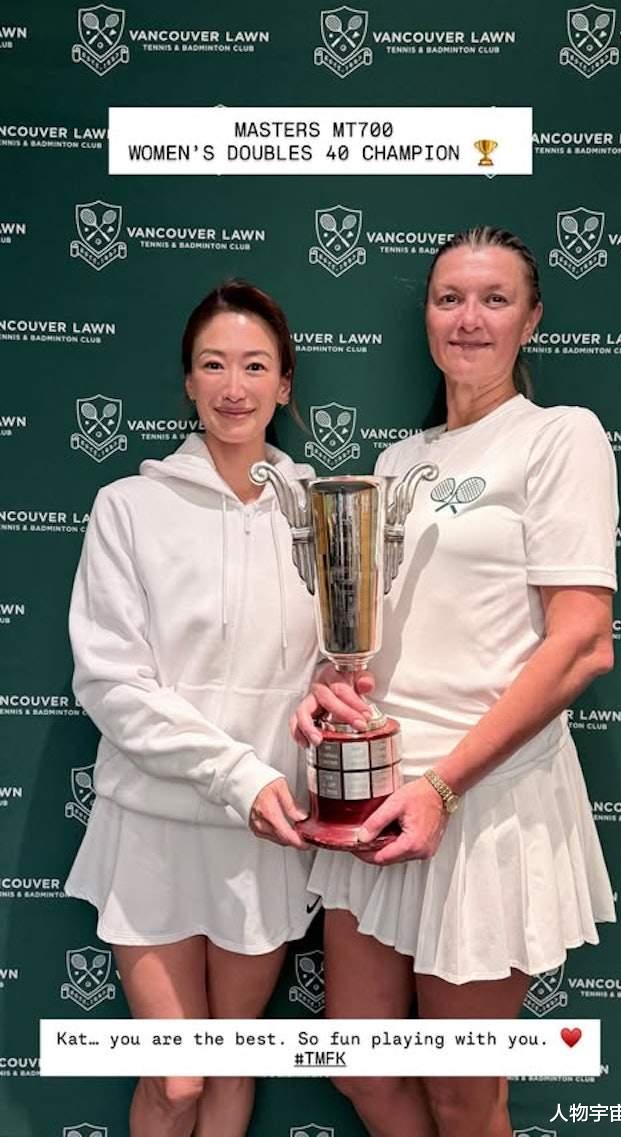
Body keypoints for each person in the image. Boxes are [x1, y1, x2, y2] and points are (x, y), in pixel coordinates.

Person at [292, 226, 618, 1137]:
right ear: (427, 316)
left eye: (494, 299)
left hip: (480, 801)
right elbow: (380, 632)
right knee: (360, 1065)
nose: (468, 319)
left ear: (532, 320)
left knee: (464, 1096)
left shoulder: (559, 437)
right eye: (449, 299)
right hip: (382, 796)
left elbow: (584, 642)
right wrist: (331, 685)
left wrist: (443, 786)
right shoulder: (398, 462)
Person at [65, 280, 320, 1137]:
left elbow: (338, 661)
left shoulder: (322, 512)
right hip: (154, 829)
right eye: (213, 365)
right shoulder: (127, 508)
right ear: (187, 380)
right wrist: (236, 773)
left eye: (254, 366)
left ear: (284, 382)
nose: (233, 386)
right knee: (177, 1080)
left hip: (264, 836)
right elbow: (112, 684)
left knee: (230, 1063)